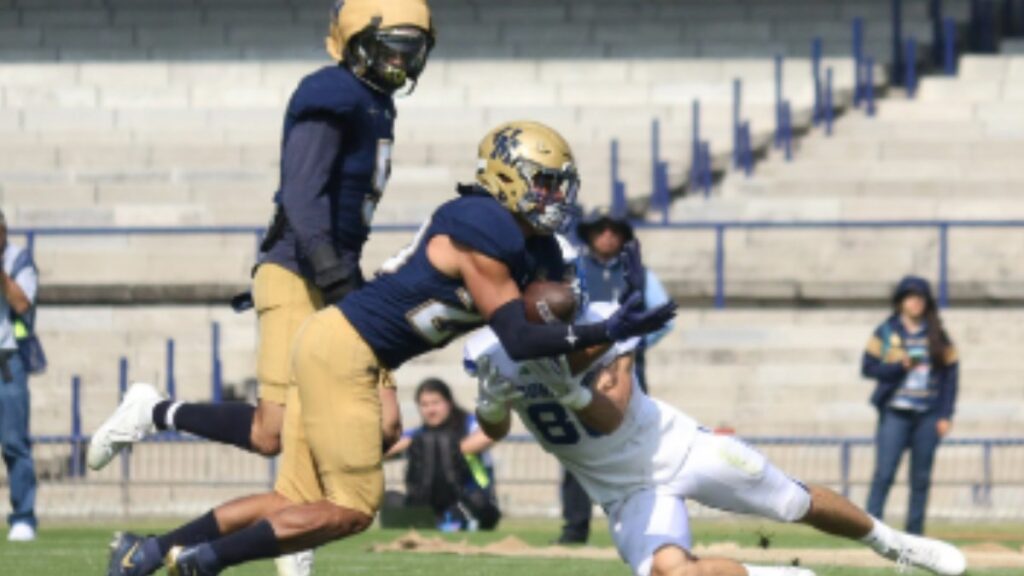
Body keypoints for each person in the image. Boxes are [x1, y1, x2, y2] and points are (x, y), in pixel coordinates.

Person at [103, 121, 676, 576]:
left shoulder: (537, 246)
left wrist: (601, 314)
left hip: (352, 348)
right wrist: (608, 329)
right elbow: (522, 338)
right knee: (353, 508)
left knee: (296, 500)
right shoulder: (481, 223)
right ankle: (204, 563)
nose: (554, 195)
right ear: (506, 177)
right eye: (543, 181)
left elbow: (551, 319)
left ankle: (147, 554)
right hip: (345, 350)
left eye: (559, 184)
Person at [88, 2, 435, 573]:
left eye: (412, 48)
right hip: (303, 273)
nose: (401, 58)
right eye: (392, 44)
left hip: (336, 275)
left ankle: (151, 551)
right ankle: (153, 411)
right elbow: (301, 195)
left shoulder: (377, 106)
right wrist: (335, 279)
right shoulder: (333, 91)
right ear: (356, 39)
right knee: (269, 430)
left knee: (326, 460)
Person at [463, 273, 968, 576]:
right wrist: (490, 401)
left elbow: (610, 415)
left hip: (678, 447)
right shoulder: (490, 353)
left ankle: (893, 544)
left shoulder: (605, 324)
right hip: (624, 491)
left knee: (794, 503)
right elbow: (498, 428)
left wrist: (568, 390)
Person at [557, 207, 674, 544]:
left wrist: (631, 345)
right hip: (583, 370)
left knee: (637, 448)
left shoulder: (639, 274)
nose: (607, 236)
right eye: (600, 230)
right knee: (576, 450)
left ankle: (644, 526)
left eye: (614, 231)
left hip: (628, 372)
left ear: (623, 237)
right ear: (590, 235)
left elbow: (664, 318)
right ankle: (574, 528)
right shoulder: (573, 272)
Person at [862, 276, 959, 536]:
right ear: (900, 301)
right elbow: (868, 367)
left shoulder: (937, 334)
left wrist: (946, 414)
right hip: (895, 412)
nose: (915, 302)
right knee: (884, 473)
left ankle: (915, 536)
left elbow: (951, 375)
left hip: (928, 414)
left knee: (921, 479)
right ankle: (872, 531)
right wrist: (899, 366)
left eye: (920, 297)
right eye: (910, 297)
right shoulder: (886, 332)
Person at [387, 378, 500, 530]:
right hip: (426, 502)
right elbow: (382, 452)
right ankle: (428, 519)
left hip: (470, 498)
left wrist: (449, 449)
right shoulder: (419, 435)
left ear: (449, 402)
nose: (431, 410)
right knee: (390, 500)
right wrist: (413, 444)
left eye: (435, 403)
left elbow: (490, 435)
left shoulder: (469, 424)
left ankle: (455, 520)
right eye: (424, 405)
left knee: (479, 503)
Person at [0, 210, 39, 543]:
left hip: (7, 362)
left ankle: (23, 516)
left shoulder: (18, 260)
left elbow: (23, 303)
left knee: (14, 443)